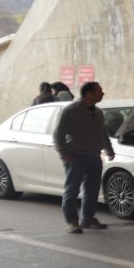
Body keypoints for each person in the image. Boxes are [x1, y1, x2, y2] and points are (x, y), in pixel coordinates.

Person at [52, 81, 115, 233]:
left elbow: (103, 132)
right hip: (76, 157)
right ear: (89, 94)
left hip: (94, 156)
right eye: (99, 91)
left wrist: (109, 149)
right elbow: (58, 134)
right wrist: (64, 154)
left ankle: (87, 219)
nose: (103, 93)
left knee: (92, 190)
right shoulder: (71, 111)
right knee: (72, 190)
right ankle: (71, 222)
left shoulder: (98, 112)